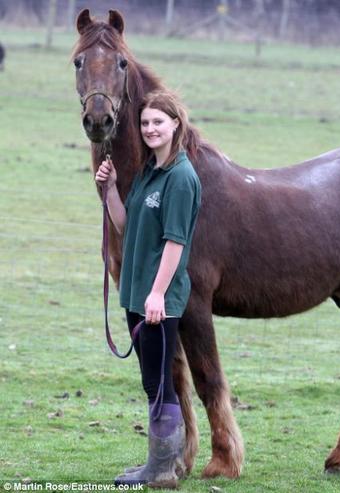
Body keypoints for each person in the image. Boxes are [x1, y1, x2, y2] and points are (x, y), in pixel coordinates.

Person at [95, 90, 201, 487]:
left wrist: (157, 294)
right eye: (145, 123)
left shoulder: (181, 178)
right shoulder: (148, 173)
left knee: (159, 383)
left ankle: (161, 471)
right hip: (137, 295)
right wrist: (110, 191)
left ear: (176, 124)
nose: (150, 129)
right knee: (152, 381)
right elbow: (126, 227)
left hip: (158, 299)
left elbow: (176, 242)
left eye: (158, 121)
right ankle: (161, 466)